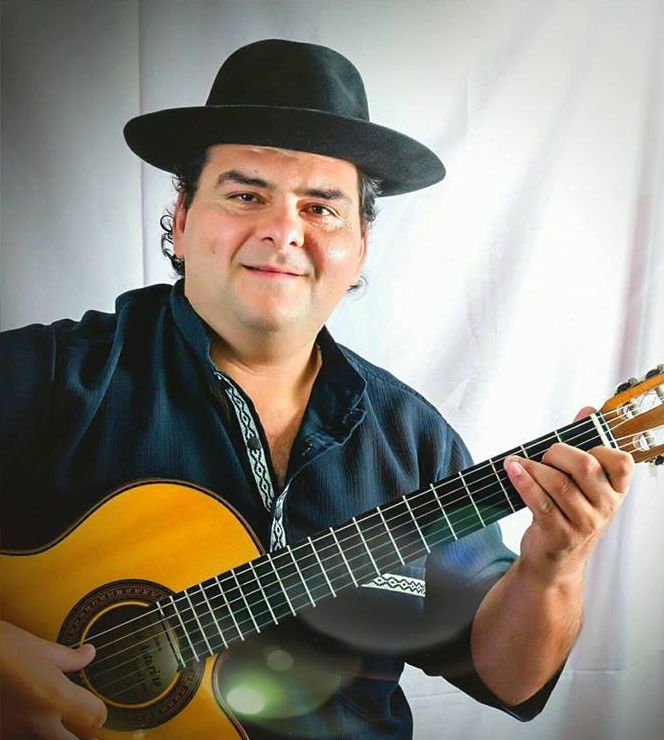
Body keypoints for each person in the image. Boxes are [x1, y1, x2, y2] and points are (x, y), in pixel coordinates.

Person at [0, 39, 633, 740]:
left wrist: (552, 568)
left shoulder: (412, 443)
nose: (283, 232)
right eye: (246, 196)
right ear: (181, 218)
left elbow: (509, 676)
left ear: (360, 244)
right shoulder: (49, 378)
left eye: (321, 208)